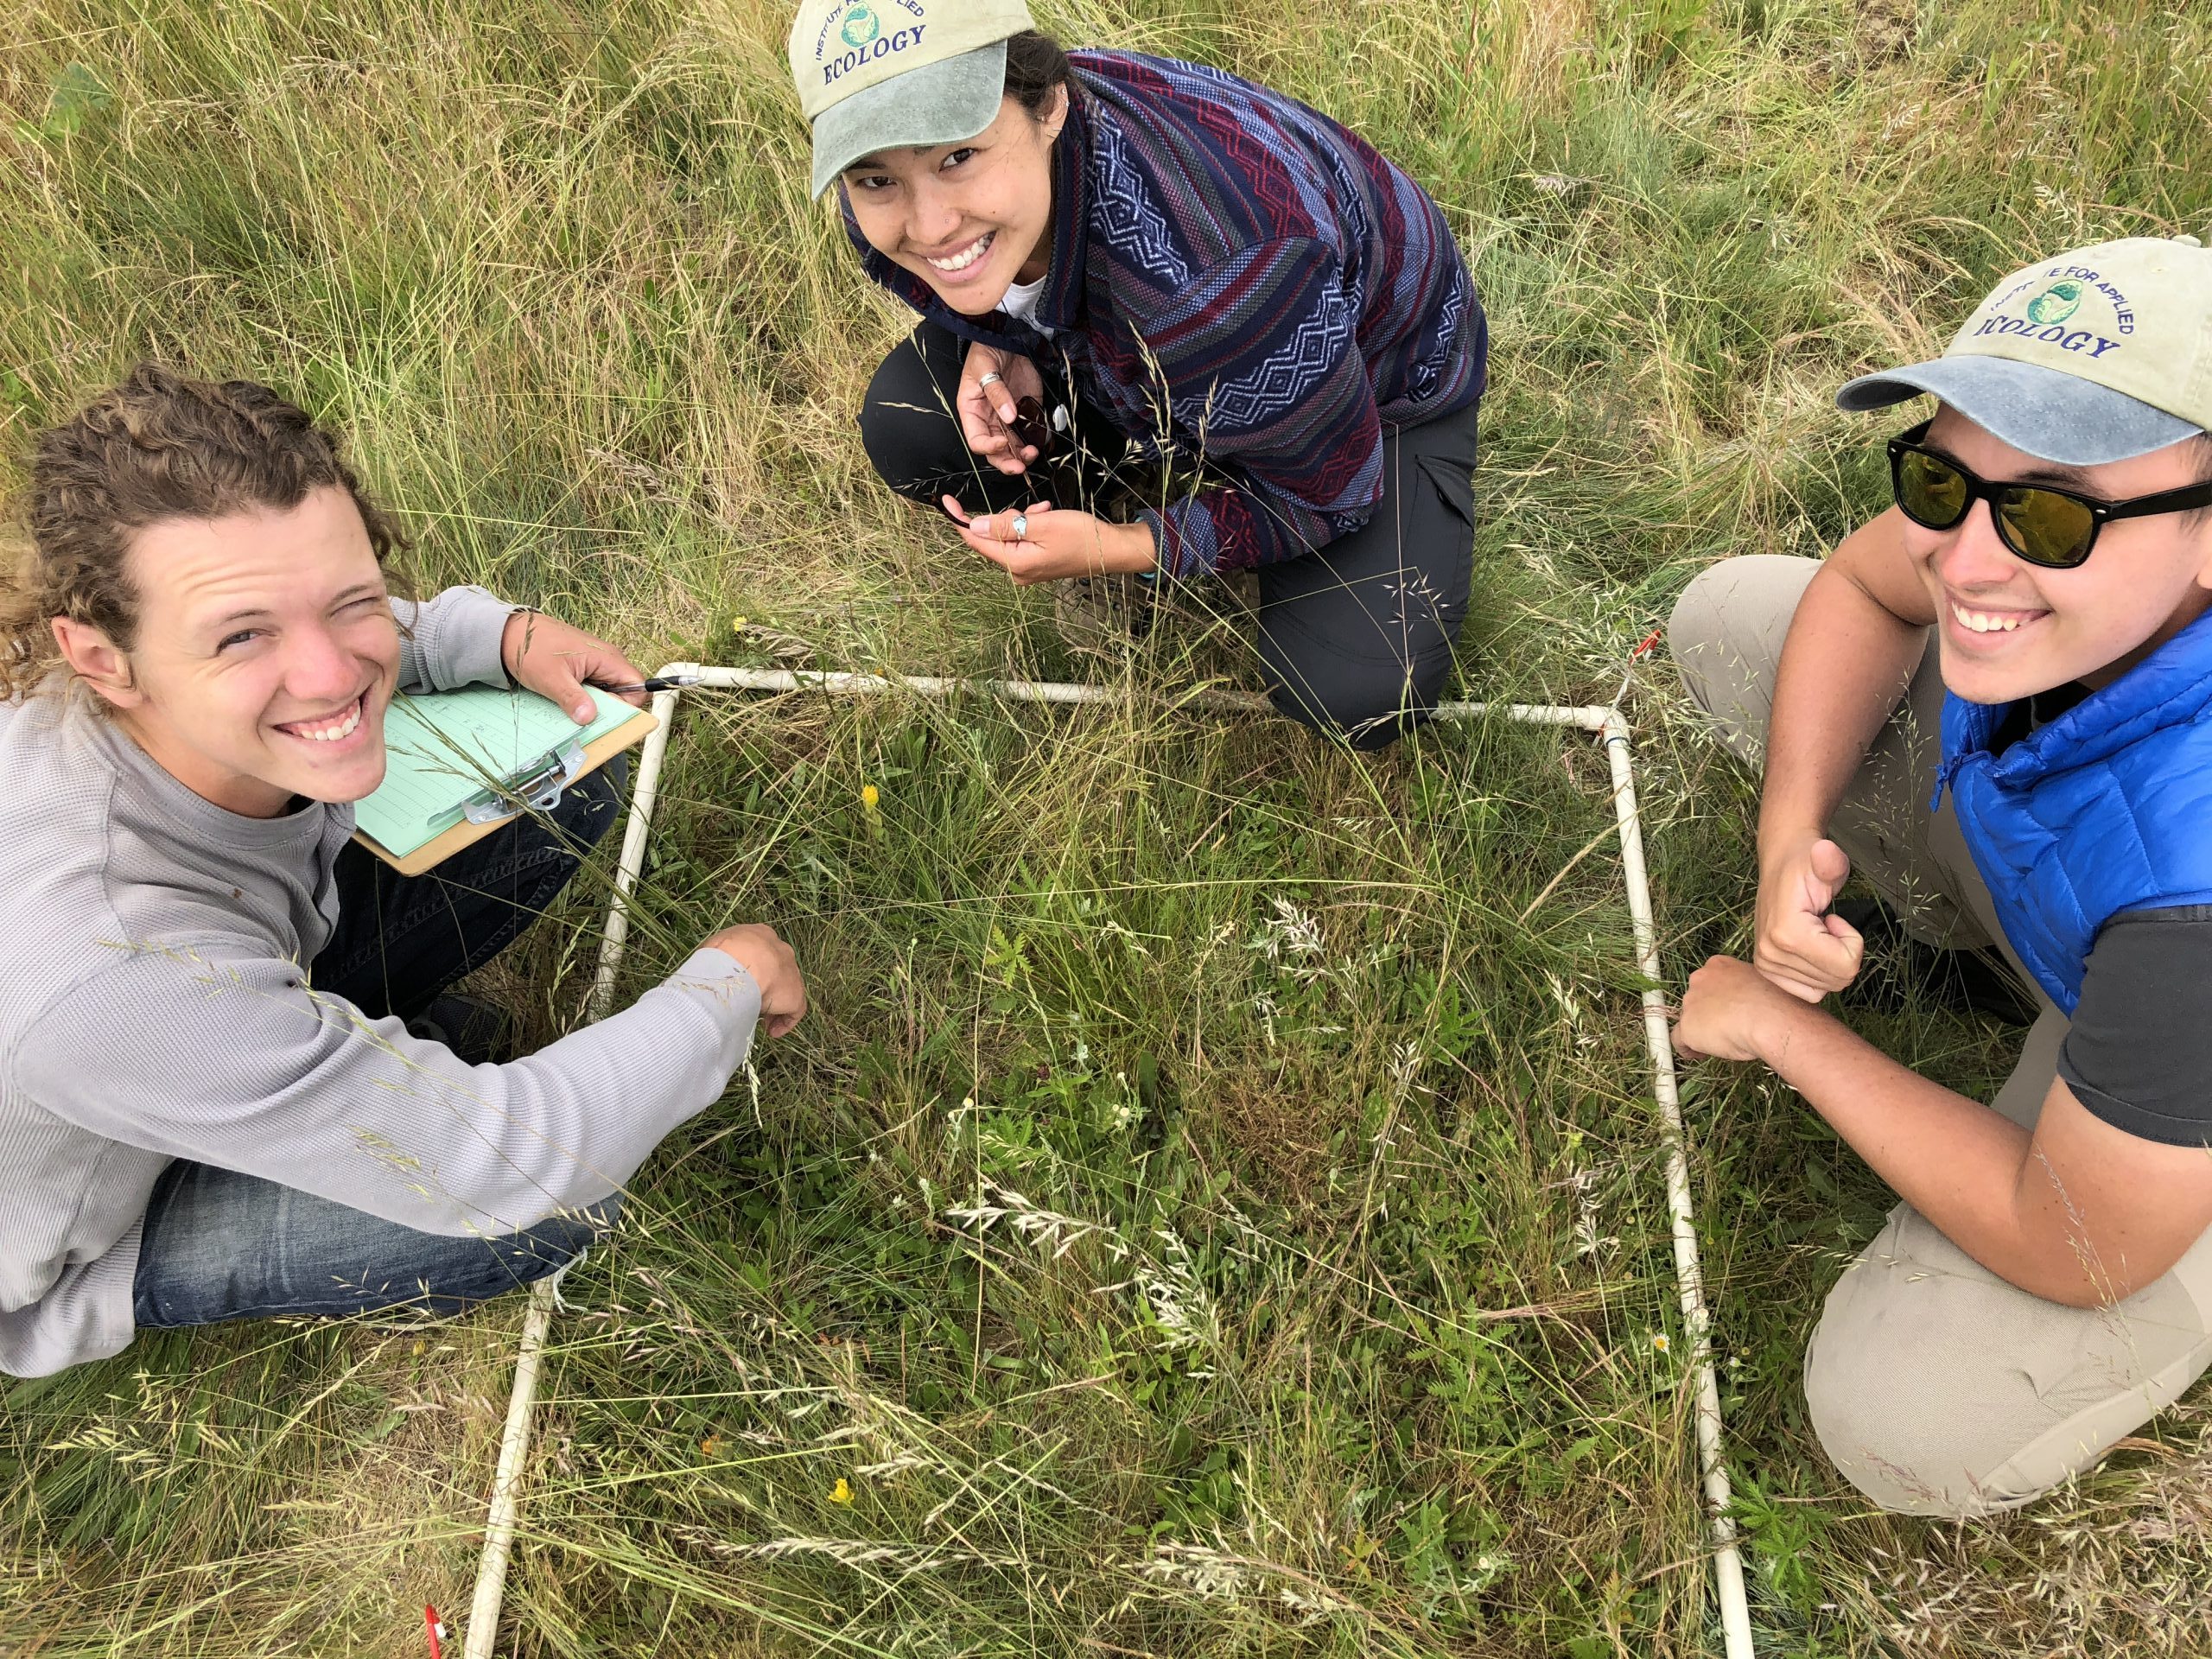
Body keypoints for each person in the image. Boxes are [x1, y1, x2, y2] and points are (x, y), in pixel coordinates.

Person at [0, 365, 807, 1378]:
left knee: (569, 771)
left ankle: (320, 1072)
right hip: (85, 1223)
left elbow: (319, 616)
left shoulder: (105, 679)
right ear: (103, 656)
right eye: (243, 637)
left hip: (194, 1016)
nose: (334, 674)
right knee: (526, 1216)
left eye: (351, 602)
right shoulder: (108, 970)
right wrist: (728, 981)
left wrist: (495, 637)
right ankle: (266, 1140)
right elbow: (512, 1159)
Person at [1668, 235, 2212, 1516]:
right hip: (2099, 880)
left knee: (1904, 1418)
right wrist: (1784, 843)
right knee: (1738, 620)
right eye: (1940, 475)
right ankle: (2007, 960)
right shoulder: (2019, 551)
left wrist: (1777, 1032)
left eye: (2052, 513)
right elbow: (1867, 582)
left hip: (2165, 1013)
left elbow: (2070, 1244)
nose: (1966, 559)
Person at [787, 0, 1487, 747]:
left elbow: (1332, 494)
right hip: (1169, 341)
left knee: (1360, 684)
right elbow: (946, 249)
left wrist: (1121, 548)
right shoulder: (896, 207)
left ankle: (1200, 476)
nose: (927, 227)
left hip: (1376, 384)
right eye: (876, 178)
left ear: (1048, 103)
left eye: (956, 156)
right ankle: (1137, 455)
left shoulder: (1218, 290)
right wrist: (999, 342)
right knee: (913, 429)